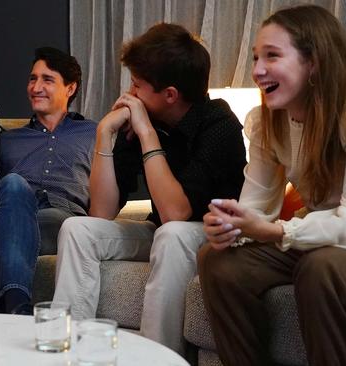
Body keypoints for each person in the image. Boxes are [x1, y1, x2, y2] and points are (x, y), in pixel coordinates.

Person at [199, 5, 346, 366]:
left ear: (315, 62)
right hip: (318, 236)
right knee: (218, 262)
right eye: (256, 57)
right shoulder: (266, 120)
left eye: (272, 56)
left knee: (321, 268)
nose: (257, 70)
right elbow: (256, 206)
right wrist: (232, 226)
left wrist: (274, 229)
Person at [52, 23, 247, 353]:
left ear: (169, 94)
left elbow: (176, 214)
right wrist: (104, 134)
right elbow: (101, 211)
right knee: (77, 228)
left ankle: (156, 358)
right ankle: (68, 350)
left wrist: (145, 132)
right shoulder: (144, 120)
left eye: (137, 85)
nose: (130, 93)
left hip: (220, 238)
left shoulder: (219, 125)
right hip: (165, 232)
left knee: (171, 235)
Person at [0, 47, 96, 315]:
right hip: (4, 203)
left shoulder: (94, 133)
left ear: (70, 88)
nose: (36, 87)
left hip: (59, 219)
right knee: (14, 184)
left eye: (47, 80)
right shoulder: (6, 139)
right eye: (33, 79)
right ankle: (19, 307)